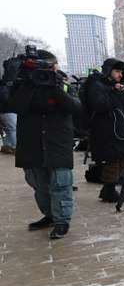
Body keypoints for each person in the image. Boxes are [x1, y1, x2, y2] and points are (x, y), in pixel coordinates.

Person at [7, 50, 81, 239]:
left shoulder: (62, 82)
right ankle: (49, 215)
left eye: (50, 67)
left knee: (60, 184)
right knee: (39, 185)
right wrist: (27, 82)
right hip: (32, 144)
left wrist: (55, 87)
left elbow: (74, 107)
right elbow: (13, 105)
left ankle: (62, 221)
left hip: (57, 142)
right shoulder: (22, 84)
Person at [87, 58, 124, 203]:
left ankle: (108, 188)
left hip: (121, 130)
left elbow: (123, 107)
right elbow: (100, 105)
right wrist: (115, 92)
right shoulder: (97, 85)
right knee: (113, 160)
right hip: (106, 131)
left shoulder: (117, 86)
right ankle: (109, 189)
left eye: (121, 72)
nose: (120, 75)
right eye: (117, 71)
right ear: (108, 71)